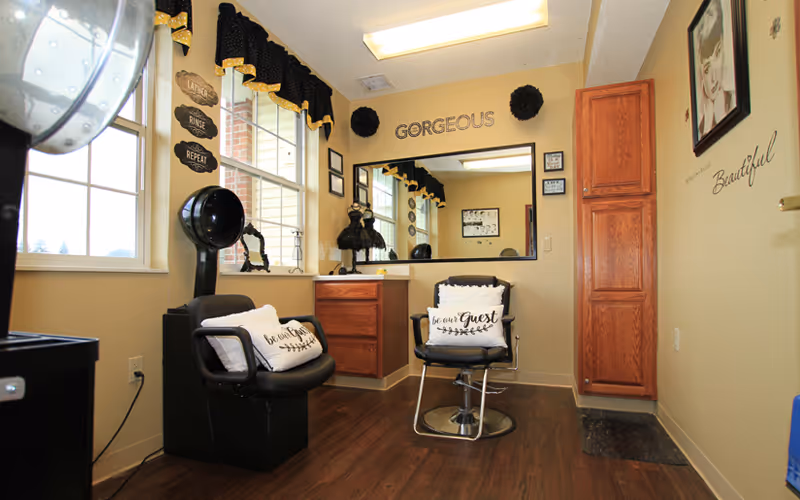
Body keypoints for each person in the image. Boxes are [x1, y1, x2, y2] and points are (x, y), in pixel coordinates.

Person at [696, 0, 735, 138]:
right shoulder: (702, 125)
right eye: (707, 69)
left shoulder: (732, 103)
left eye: (717, 55)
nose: (713, 78)